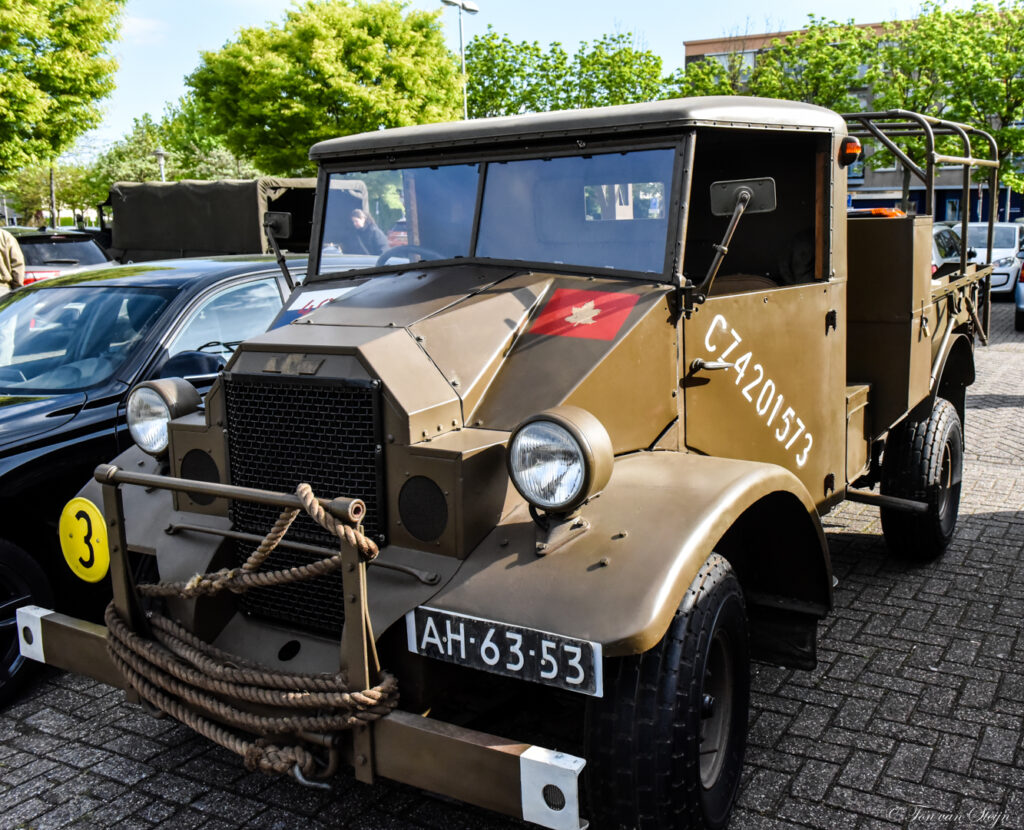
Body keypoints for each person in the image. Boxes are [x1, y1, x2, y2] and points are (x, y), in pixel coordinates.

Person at [0, 228, 25, 296]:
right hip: (3, 289)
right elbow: (17, 264)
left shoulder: (6, 236)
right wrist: (17, 288)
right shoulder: (5, 236)